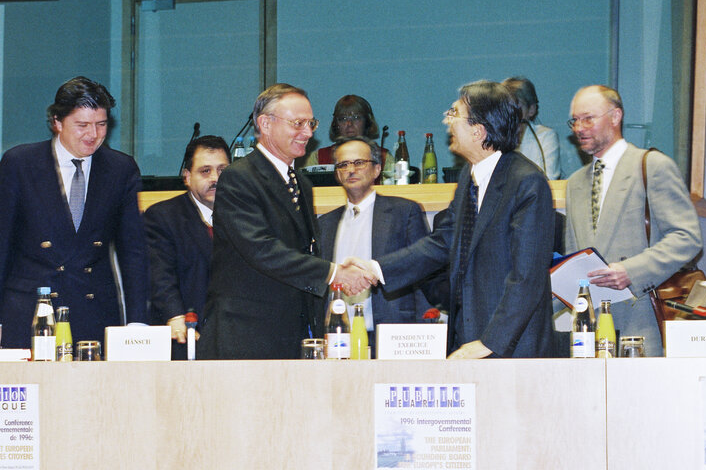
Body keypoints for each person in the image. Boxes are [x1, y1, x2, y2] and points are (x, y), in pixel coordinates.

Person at [348, 80, 555, 358]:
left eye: (454, 114)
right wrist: (376, 269)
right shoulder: (469, 177)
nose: (447, 121)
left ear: (479, 131)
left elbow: (527, 277)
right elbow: (442, 242)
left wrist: (489, 343)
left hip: (511, 347)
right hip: (469, 341)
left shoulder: (527, 182)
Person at [199, 83, 376, 360]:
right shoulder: (239, 178)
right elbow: (262, 249)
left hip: (293, 336)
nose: (308, 133)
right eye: (298, 123)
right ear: (265, 124)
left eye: (311, 123)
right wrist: (332, 273)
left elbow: (303, 251)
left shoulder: (301, 183)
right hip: (247, 338)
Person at [0, 76, 148, 355]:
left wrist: (138, 323)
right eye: (82, 125)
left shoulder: (121, 169)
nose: (93, 134)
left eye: (101, 124)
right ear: (57, 122)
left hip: (94, 312)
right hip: (30, 311)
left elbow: (134, 252)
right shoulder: (19, 164)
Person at [564, 85, 702, 356]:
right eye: (574, 120)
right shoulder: (575, 184)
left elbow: (687, 238)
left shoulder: (652, 166)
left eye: (588, 118)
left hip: (641, 325)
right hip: (590, 335)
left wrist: (632, 271)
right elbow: (574, 257)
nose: (579, 128)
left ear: (616, 117)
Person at [318, 136, 432, 349]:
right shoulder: (324, 224)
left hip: (393, 335)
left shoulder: (404, 211)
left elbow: (422, 271)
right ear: (336, 173)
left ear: (377, 169)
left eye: (359, 163)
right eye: (343, 165)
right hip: (338, 337)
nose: (351, 170)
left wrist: (426, 326)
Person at [144, 135, 229, 360]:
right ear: (187, 177)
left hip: (235, 340)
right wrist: (175, 315)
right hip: (185, 337)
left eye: (222, 170)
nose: (215, 178)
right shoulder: (163, 217)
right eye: (205, 171)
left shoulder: (246, 217)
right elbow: (160, 275)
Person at [300, 94, 394, 181]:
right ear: (336, 124)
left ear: (367, 122)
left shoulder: (384, 158)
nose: (349, 124)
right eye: (343, 119)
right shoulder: (318, 157)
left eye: (356, 117)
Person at [502, 76, 561, 180]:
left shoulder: (545, 137)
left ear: (531, 110)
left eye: (516, 106)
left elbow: (548, 179)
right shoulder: (494, 137)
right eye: (505, 107)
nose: (510, 112)